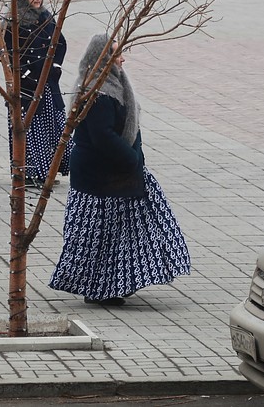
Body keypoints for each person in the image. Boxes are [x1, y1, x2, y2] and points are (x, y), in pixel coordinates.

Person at [49, 34, 191, 306]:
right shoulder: (96, 93)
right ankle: (98, 287)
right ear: (103, 59)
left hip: (117, 174)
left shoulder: (114, 83)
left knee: (119, 232)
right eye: (116, 54)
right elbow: (103, 137)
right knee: (96, 236)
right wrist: (132, 160)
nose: (123, 58)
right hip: (100, 178)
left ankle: (115, 283)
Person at [4, 0, 70, 188]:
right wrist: (26, 73)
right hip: (27, 87)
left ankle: (49, 171)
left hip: (48, 84)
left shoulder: (46, 18)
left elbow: (61, 42)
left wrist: (56, 67)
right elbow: (11, 53)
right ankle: (32, 173)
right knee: (32, 129)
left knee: (55, 126)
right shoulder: (15, 24)